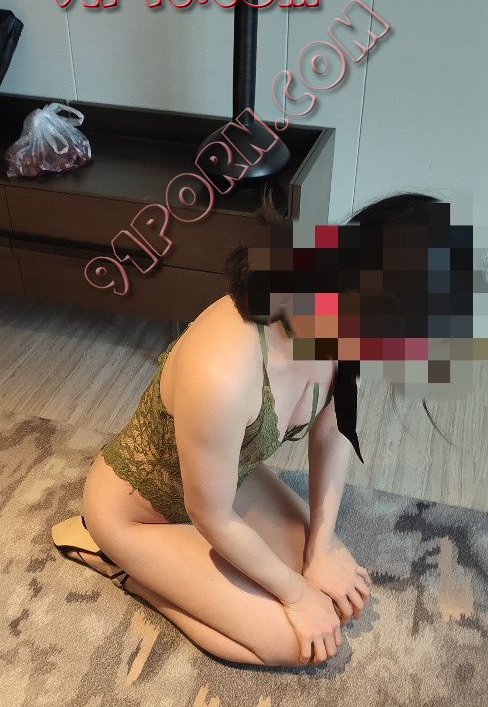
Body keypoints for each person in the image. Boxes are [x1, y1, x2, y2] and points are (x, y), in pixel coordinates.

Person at [52, 186, 449, 669]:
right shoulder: (224, 371)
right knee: (294, 643)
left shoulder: (346, 323)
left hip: (226, 481)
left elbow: (333, 432)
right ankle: (118, 562)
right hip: (138, 514)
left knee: (331, 590)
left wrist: (321, 546)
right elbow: (210, 516)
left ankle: (212, 574)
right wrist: (297, 596)